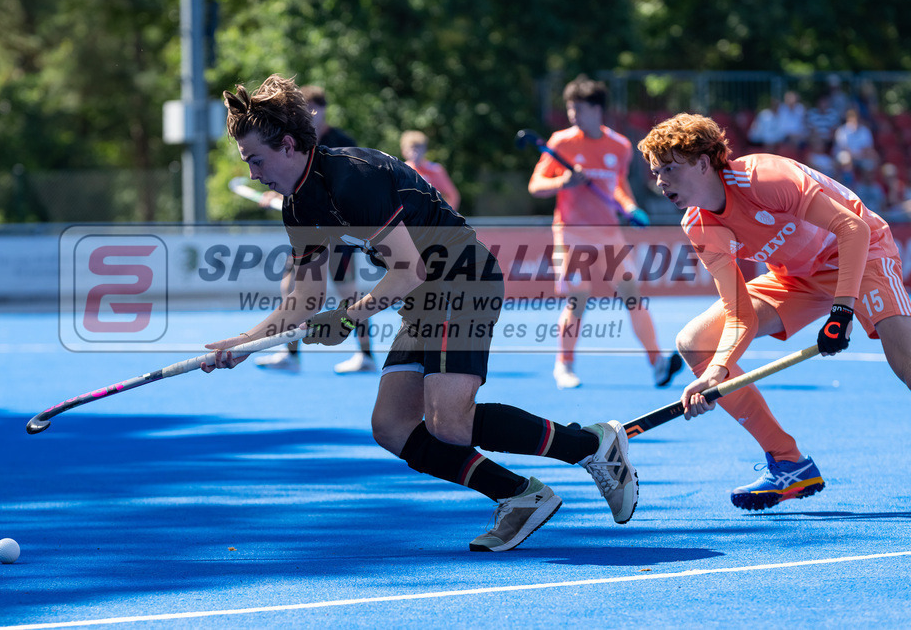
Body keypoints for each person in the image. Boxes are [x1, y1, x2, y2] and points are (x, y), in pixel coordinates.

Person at [206, 74, 639, 551]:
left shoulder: (353, 178)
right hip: (425, 297)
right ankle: (519, 495)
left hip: (461, 279)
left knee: (448, 421)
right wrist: (243, 343)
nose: (252, 173)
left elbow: (408, 269)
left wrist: (349, 317)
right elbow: (304, 298)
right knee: (391, 426)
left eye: (256, 159)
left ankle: (592, 444)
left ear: (287, 145)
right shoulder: (298, 206)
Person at [638, 113, 911, 511]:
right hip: (797, 278)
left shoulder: (765, 178)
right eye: (655, 171)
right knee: (695, 344)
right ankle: (789, 463)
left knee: (905, 362)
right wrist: (717, 370)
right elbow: (739, 314)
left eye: (669, 169)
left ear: (702, 162)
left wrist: (842, 311)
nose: (661, 181)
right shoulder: (698, 226)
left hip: (861, 253)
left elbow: (853, 229)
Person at [527, 74, 683, 390]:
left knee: (632, 297)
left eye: (579, 109)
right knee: (578, 296)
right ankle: (564, 366)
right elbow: (536, 186)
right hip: (570, 233)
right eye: (571, 109)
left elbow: (618, 187)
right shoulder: (560, 143)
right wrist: (564, 182)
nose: (573, 115)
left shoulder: (620, 146)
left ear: (598, 110)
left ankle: (657, 363)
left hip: (609, 234)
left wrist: (629, 207)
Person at [253, 84, 376, 374]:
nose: (314, 113)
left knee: (350, 293)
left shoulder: (341, 141)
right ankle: (291, 355)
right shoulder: (294, 142)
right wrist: (277, 191)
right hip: (309, 229)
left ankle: (367, 355)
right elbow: (296, 180)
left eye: (318, 107)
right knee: (290, 286)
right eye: (309, 108)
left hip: (340, 230)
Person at [400, 130, 461, 210]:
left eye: (418, 148)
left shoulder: (436, 170)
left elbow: (453, 196)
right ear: (403, 151)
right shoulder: (400, 171)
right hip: (408, 220)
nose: (415, 153)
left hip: (430, 220)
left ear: (425, 150)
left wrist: (446, 217)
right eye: (411, 148)